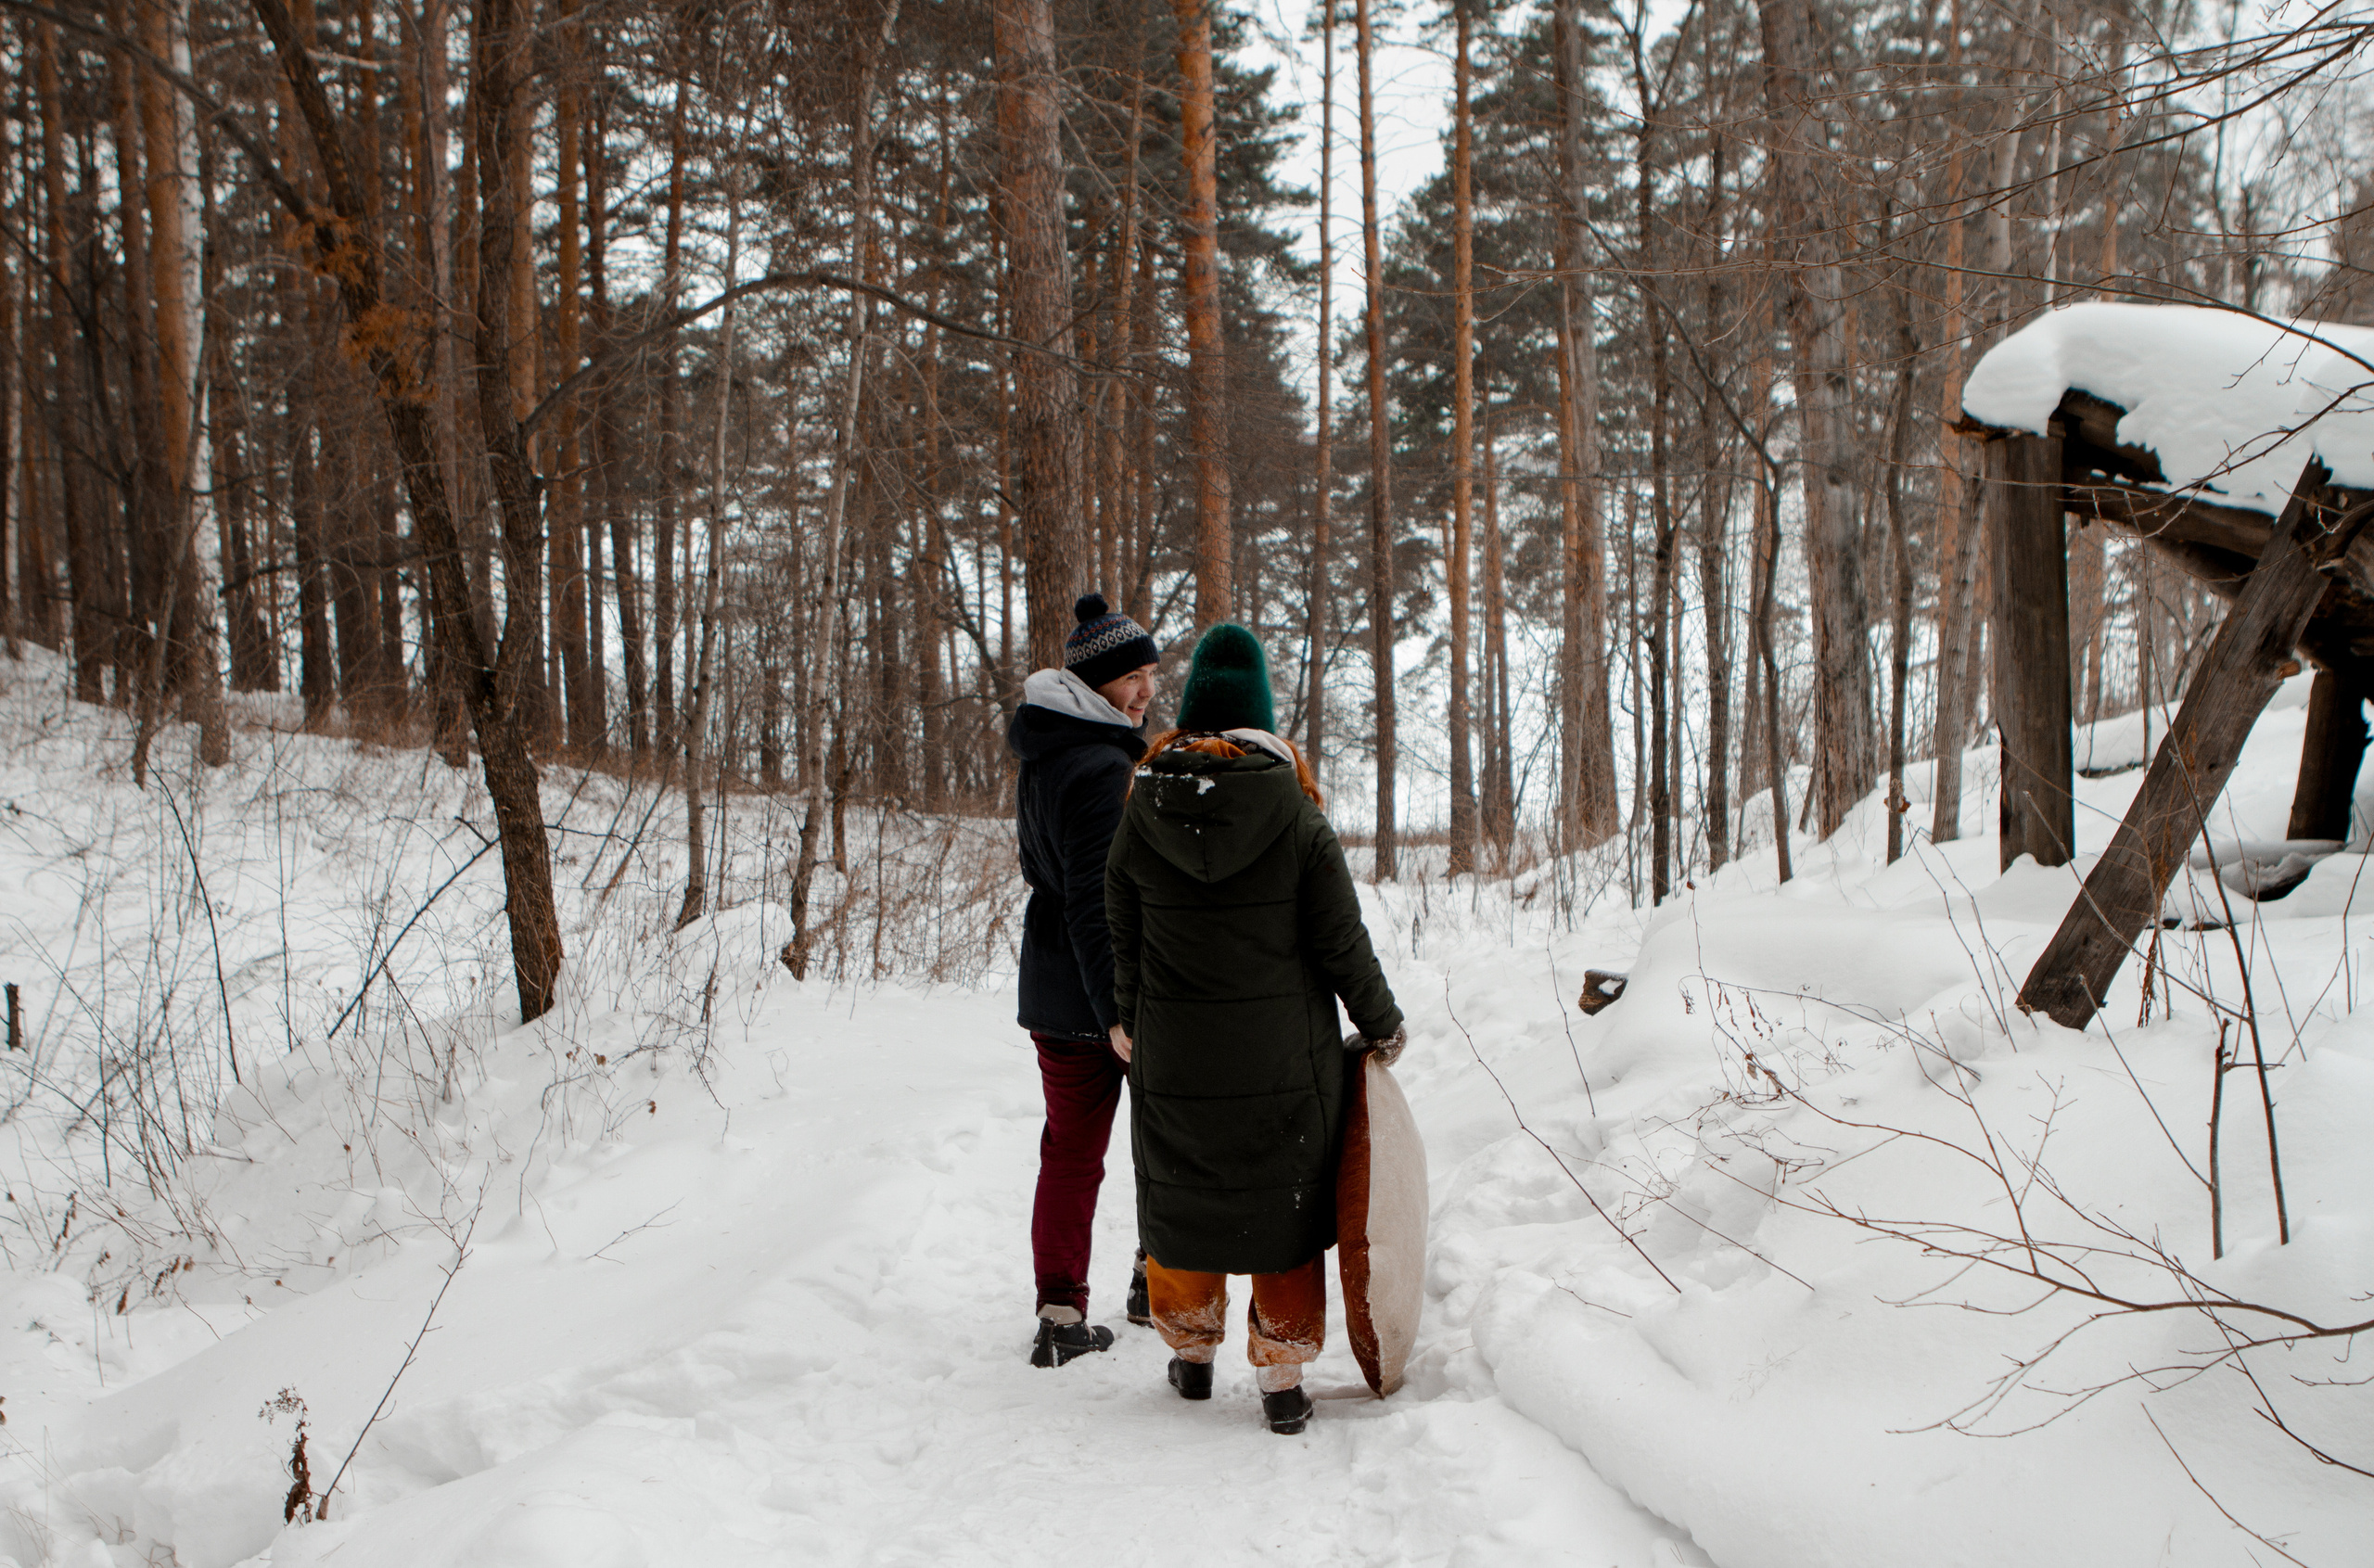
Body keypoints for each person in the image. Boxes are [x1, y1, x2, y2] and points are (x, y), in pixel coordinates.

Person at [1104, 623, 1406, 1434]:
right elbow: (1342, 940)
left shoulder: (1143, 805)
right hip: (1284, 1060)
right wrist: (1380, 1023)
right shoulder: (1297, 815)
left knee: (1184, 1197)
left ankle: (1191, 1355)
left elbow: (1122, 927)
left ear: (1194, 711)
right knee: (1285, 1208)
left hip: (1175, 1057)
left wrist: (1128, 1014)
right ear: (1263, 715)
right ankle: (1280, 1377)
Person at [1009, 592, 1162, 1368]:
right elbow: (1097, 903)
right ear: (1096, 682)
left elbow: (1052, 880)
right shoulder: (1103, 767)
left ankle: (1060, 1311)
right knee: (1156, 1142)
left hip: (1051, 982)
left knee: (1069, 1151)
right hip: (1100, 989)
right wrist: (1117, 1011)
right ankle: (1155, 1284)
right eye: (1130, 677)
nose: (1144, 692)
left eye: (1150, 676)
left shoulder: (1048, 749)